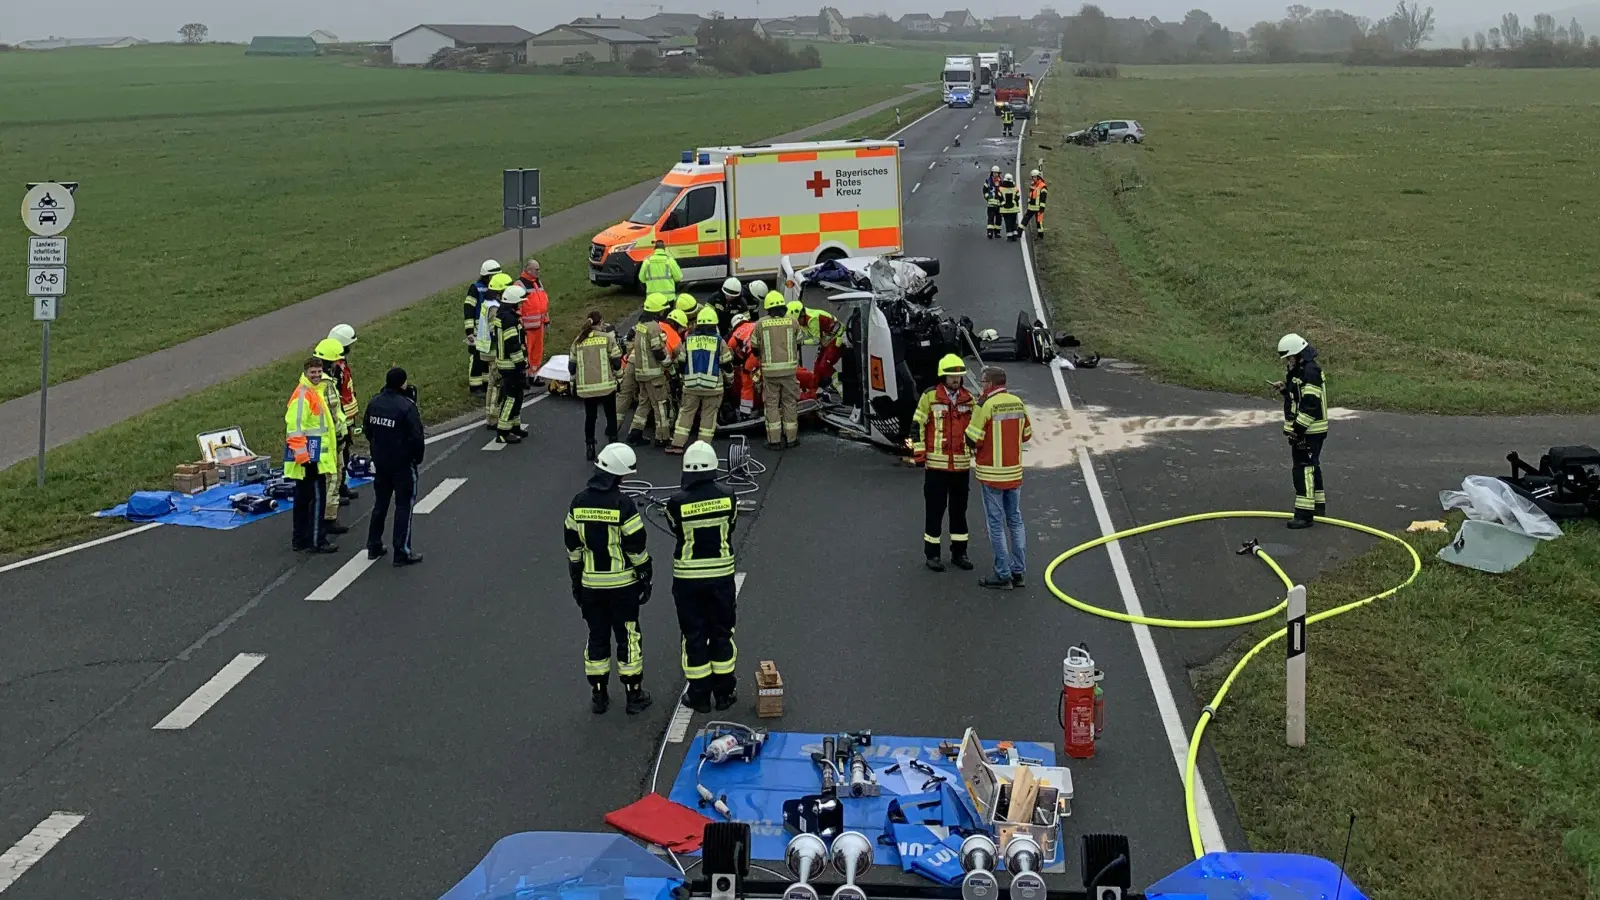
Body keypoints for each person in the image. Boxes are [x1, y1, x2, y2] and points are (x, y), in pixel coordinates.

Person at [565, 443, 654, 715]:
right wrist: (645, 574)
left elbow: (573, 547)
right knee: (628, 636)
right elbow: (636, 546)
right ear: (617, 475)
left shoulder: (578, 502)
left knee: (597, 636)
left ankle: (599, 695)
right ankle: (634, 695)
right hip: (622, 586)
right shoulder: (623, 505)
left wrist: (577, 580)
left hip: (591, 585)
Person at [665, 441, 739, 712]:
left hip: (688, 579)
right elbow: (731, 525)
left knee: (694, 634)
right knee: (722, 631)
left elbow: (675, 528)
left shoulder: (676, 502)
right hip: (721, 576)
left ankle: (699, 696)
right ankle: (724, 694)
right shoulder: (728, 496)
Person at [966, 366, 1032, 590]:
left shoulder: (985, 405)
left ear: (990, 384)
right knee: (1015, 521)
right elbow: (1026, 434)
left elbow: (973, 439)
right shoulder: (1018, 403)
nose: (981, 385)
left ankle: (1003, 574)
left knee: (996, 524)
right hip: (1014, 472)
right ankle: (1018, 572)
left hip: (992, 475)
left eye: (983, 382)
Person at [914, 354, 976, 572]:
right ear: (943, 376)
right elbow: (917, 425)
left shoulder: (969, 399)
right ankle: (932, 555)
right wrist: (919, 454)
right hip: (936, 468)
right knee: (935, 512)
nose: (956, 380)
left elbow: (976, 430)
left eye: (958, 376)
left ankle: (960, 553)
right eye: (951, 376)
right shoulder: (930, 397)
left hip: (960, 467)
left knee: (959, 512)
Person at [363, 366, 425, 566]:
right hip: (402, 465)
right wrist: (416, 458)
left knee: (380, 504)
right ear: (402, 383)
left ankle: (373, 545)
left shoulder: (374, 402)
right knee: (404, 506)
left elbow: (367, 430)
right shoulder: (407, 406)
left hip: (381, 463)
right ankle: (401, 552)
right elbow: (417, 437)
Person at [284, 356, 339, 554]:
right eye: (313, 372)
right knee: (316, 500)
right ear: (305, 373)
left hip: (307, 458)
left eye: (319, 372)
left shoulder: (312, 392)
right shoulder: (304, 395)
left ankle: (300, 539)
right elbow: (295, 429)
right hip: (309, 460)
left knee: (302, 500)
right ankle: (317, 540)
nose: (316, 375)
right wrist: (305, 459)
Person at [1273, 333, 1328, 529]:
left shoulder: (1310, 372)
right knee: (1312, 466)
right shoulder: (1301, 371)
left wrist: (1297, 429)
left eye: (1289, 357)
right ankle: (1318, 507)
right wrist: (1284, 389)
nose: (1288, 361)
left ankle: (1304, 515)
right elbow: (1299, 396)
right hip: (1307, 430)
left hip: (1309, 431)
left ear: (1298, 354)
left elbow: (1310, 404)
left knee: (1303, 469)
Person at [671, 306, 734, 453]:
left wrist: (683, 378)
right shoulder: (719, 342)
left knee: (686, 412)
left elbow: (681, 362)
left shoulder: (689, 340)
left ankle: (677, 444)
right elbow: (727, 365)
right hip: (713, 387)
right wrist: (729, 381)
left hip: (691, 385)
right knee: (708, 416)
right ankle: (702, 448)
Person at [750, 291, 802, 450]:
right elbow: (799, 343)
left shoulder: (760, 324)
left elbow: (754, 348)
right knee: (789, 403)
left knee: (771, 405)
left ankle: (774, 441)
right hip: (789, 372)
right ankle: (791, 438)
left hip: (770, 373)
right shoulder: (793, 321)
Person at [570, 310, 623, 461]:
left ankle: (590, 447)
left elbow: (572, 367)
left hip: (586, 388)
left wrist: (574, 383)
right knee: (610, 415)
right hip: (606, 386)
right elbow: (616, 362)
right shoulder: (607, 338)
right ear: (601, 323)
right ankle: (613, 445)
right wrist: (619, 378)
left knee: (590, 417)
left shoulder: (578, 341)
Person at [312, 338, 351, 537]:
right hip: (330, 442)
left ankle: (326, 518)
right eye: (336, 362)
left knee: (330, 480)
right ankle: (327, 520)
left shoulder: (317, 382)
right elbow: (332, 414)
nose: (338, 365)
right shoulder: (325, 385)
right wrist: (340, 436)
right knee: (332, 480)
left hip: (326, 440)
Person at [623, 293, 673, 447]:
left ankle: (635, 433)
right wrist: (669, 365)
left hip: (641, 373)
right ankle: (662, 437)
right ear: (657, 310)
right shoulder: (654, 327)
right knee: (660, 405)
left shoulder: (640, 325)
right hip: (654, 375)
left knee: (643, 404)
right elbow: (658, 352)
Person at [326, 323, 361, 504]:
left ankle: (342, 486)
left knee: (345, 452)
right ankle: (337, 490)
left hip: (347, 416)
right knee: (339, 455)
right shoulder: (335, 368)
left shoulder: (340, 363)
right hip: (341, 418)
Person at [493, 283, 530, 444]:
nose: (522, 305)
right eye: (520, 302)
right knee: (511, 398)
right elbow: (513, 345)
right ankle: (503, 432)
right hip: (511, 366)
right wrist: (521, 364)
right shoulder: (509, 320)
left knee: (518, 397)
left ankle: (514, 427)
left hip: (508, 364)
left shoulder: (505, 316)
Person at [787, 300, 845, 393]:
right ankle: (828, 385)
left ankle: (839, 383)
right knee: (817, 368)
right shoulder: (802, 321)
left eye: (797, 321)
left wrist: (801, 343)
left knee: (824, 366)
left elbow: (816, 340)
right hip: (826, 340)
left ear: (802, 314)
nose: (798, 324)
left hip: (837, 337)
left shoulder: (812, 319)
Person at [479, 273, 513, 430]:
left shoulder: (489, 303)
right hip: (494, 351)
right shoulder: (495, 309)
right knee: (496, 386)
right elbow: (496, 332)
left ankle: (492, 415)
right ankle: (493, 418)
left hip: (488, 350)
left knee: (493, 385)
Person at [464, 260, 501, 395]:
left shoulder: (495, 288)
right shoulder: (476, 288)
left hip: (489, 330)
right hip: (477, 330)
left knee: (487, 358)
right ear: (487, 276)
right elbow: (469, 309)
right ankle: (475, 386)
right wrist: (469, 331)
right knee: (477, 359)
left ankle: (486, 384)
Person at [515, 259, 550, 379]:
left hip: (539, 325)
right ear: (529, 270)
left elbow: (543, 302)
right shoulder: (519, 285)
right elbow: (518, 306)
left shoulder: (537, 282)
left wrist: (546, 319)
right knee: (527, 352)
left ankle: (534, 375)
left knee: (537, 352)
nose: (538, 272)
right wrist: (519, 323)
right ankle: (525, 376)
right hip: (527, 328)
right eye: (536, 270)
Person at [1022, 169, 1048, 238]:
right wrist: (1028, 202)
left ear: (1038, 177)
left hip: (1038, 208)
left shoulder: (1042, 186)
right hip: (1031, 207)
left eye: (1035, 177)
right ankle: (1019, 232)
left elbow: (1043, 198)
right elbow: (1030, 195)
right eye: (1033, 177)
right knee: (1025, 219)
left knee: (1039, 222)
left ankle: (1040, 236)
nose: (1034, 178)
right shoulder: (1032, 184)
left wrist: (1042, 208)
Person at [998, 174, 1022, 242]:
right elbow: (1017, 197)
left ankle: (1009, 236)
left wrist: (1004, 204)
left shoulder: (1001, 189)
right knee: (1013, 221)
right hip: (1014, 209)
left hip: (1005, 209)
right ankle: (1014, 234)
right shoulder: (1015, 188)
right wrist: (1013, 202)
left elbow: (999, 197)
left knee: (1007, 222)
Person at [983, 165, 1003, 239]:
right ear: (992, 173)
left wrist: (1002, 200)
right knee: (990, 218)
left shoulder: (1001, 182)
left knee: (998, 219)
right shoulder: (988, 181)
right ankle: (990, 232)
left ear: (998, 173)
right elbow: (984, 190)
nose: (995, 174)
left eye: (996, 173)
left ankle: (997, 233)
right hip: (991, 204)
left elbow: (1003, 192)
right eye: (994, 173)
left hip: (999, 204)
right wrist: (987, 197)